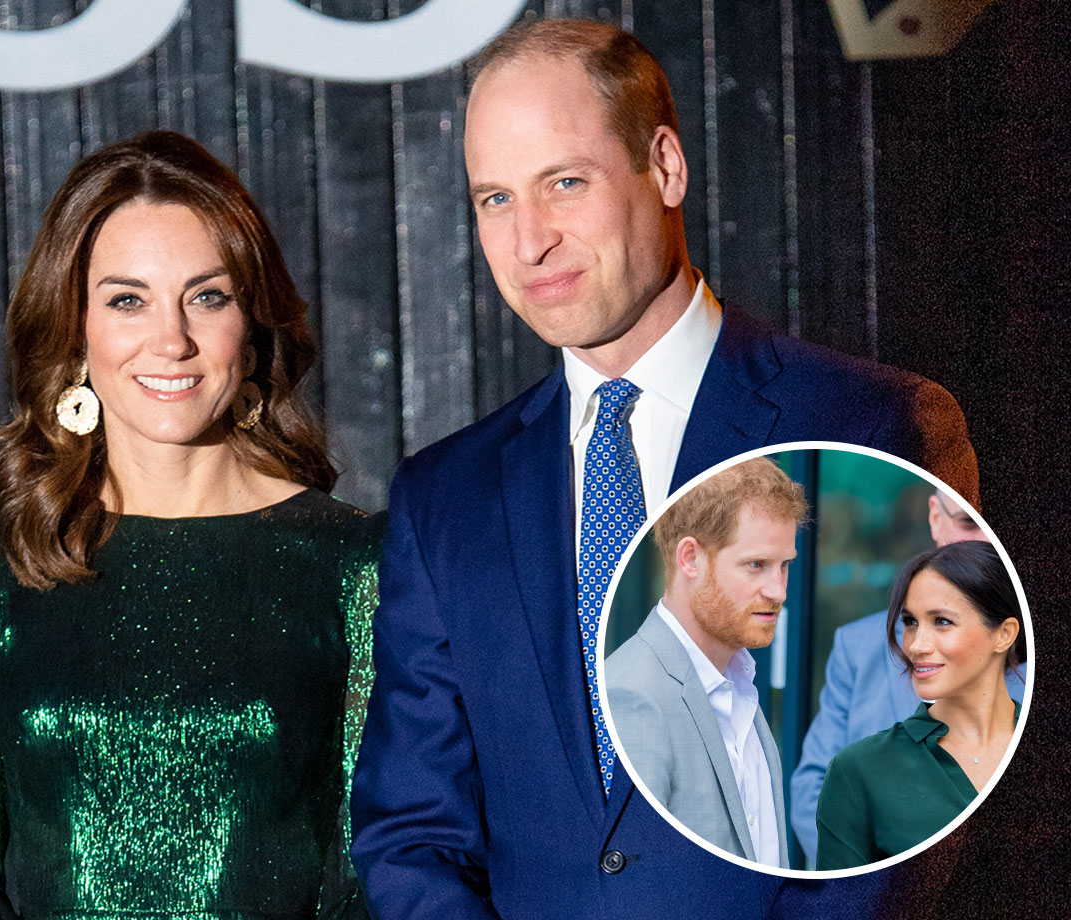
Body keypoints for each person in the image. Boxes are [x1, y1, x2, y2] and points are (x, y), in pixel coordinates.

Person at [350, 17, 975, 920]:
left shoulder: (870, 425)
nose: (530, 243)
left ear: (667, 167)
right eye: (495, 199)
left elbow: (909, 794)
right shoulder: (445, 497)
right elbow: (412, 831)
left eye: (564, 183)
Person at [0, 131, 380, 919]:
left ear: (250, 328)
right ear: (76, 329)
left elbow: (376, 877)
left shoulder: (354, 563)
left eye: (207, 296)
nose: (172, 339)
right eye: (128, 300)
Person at [790, 489, 1026, 864]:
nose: (916, 646)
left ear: (1005, 634)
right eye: (911, 623)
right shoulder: (858, 651)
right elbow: (814, 789)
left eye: (942, 622)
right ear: (937, 517)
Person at [606, 458, 807, 869]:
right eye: (756, 565)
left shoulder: (740, 685)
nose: (779, 590)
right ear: (691, 558)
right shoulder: (632, 696)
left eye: (785, 565)